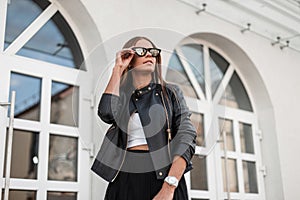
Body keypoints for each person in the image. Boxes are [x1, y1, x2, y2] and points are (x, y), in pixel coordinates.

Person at [92, 36, 196, 200]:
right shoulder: (123, 96)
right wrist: (118, 69)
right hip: (126, 176)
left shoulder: (171, 93)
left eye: (153, 52)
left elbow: (187, 136)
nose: (149, 55)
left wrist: (169, 186)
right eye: (142, 51)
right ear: (130, 58)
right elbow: (106, 113)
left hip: (164, 176)